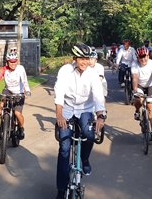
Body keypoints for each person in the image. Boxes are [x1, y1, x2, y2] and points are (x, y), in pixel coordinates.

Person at [54, 43, 106, 199]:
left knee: (89, 134)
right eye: (81, 58)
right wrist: (59, 115)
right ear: (74, 58)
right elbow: (59, 92)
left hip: (85, 109)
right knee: (64, 149)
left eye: (87, 58)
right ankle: (61, 190)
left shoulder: (92, 73)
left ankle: (84, 158)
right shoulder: (65, 71)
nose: (84, 62)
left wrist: (100, 116)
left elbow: (98, 95)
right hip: (68, 110)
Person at [0, 49, 31, 140]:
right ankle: (3, 124)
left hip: (19, 92)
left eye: (15, 62)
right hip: (8, 91)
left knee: (17, 113)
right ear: (7, 62)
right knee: (1, 106)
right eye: (11, 62)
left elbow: (25, 81)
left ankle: (21, 128)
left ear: (17, 61)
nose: (13, 64)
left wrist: (27, 91)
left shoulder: (20, 69)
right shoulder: (4, 69)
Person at [132, 46, 152, 141]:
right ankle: (137, 111)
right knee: (138, 100)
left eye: (144, 56)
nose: (143, 59)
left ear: (148, 56)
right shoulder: (134, 64)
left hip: (151, 85)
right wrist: (135, 90)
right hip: (140, 85)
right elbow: (135, 79)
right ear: (137, 58)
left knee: (151, 108)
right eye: (140, 57)